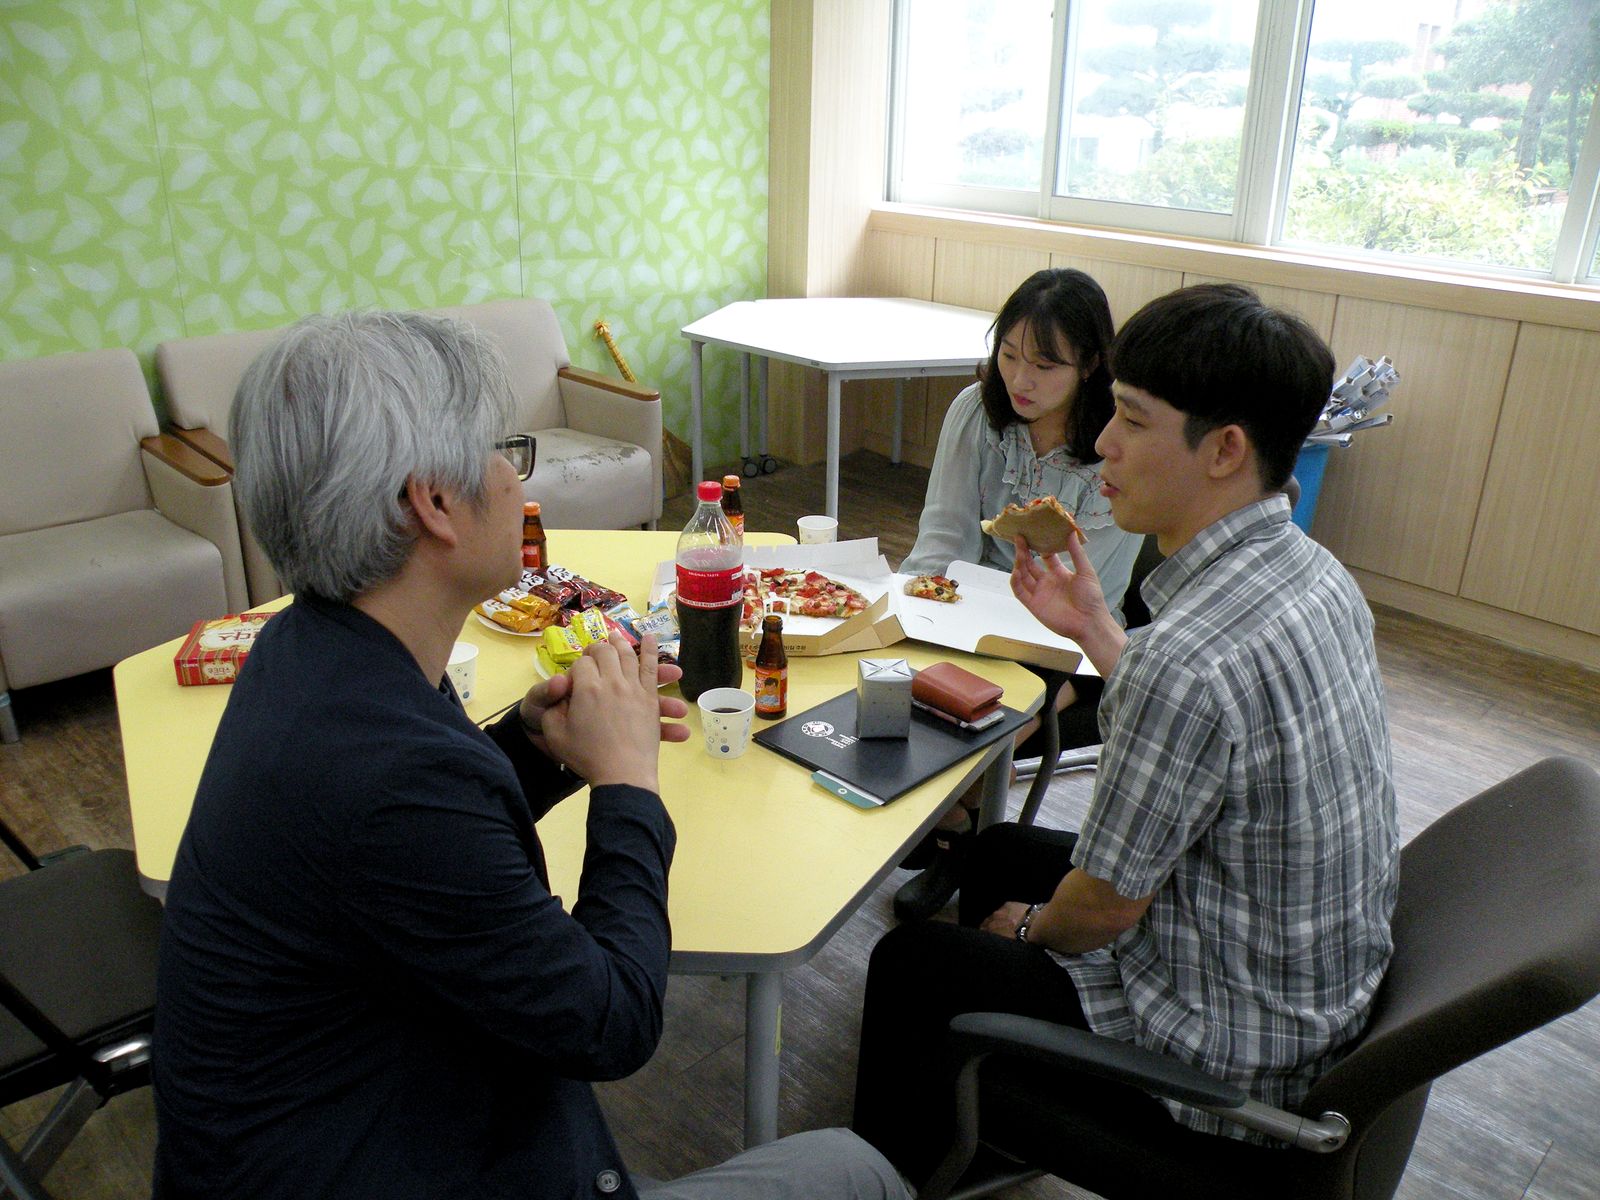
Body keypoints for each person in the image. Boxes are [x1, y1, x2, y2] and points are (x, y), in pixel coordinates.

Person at [151, 311, 909, 1200]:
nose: (515, 476)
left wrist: (533, 743)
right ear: (432, 504)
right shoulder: (392, 779)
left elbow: (418, 855)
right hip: (394, 1160)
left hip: (373, 1120)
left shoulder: (311, 649)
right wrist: (627, 785)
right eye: (499, 451)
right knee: (858, 1170)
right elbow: (611, 1022)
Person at [853, 284, 1400, 1188]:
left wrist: (1030, 929)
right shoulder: (1314, 572)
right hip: (1302, 985)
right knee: (997, 852)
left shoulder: (1189, 661)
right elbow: (1192, 725)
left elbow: (1102, 910)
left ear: (1225, 450)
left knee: (914, 960)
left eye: (1133, 421)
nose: (1103, 442)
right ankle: (976, 1123)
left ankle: (892, 1171)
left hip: (1225, 1052)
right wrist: (1093, 627)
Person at [894, 268, 1143, 921]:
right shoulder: (976, 412)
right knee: (894, 690)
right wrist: (914, 611)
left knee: (988, 721)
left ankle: (958, 832)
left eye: (1044, 365)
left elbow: (1095, 594)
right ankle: (955, 824)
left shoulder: (1116, 445)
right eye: (1008, 355)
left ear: (1091, 365)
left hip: (1070, 630)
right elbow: (942, 540)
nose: (1020, 380)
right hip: (969, 608)